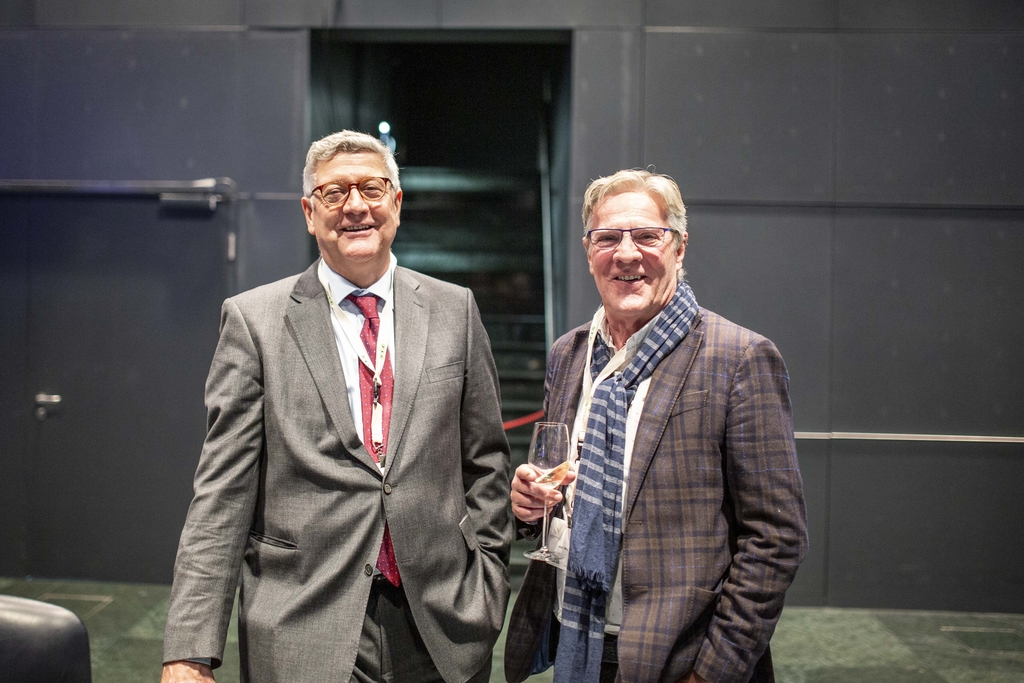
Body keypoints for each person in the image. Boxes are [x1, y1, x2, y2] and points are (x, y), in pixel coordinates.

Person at [161, 130, 512, 683]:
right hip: (305, 622)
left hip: (443, 625)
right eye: (333, 193)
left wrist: (487, 577)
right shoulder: (255, 322)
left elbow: (486, 462)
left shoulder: (454, 311)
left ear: (396, 202)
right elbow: (221, 494)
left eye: (371, 188)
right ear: (308, 211)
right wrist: (189, 650)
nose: (355, 206)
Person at [504, 169, 808, 683]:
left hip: (680, 658)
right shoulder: (570, 353)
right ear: (588, 250)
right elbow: (560, 485)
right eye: (608, 238)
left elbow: (775, 540)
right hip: (577, 636)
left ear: (680, 247)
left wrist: (711, 673)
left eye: (647, 235)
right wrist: (530, 505)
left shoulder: (739, 357)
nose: (626, 254)